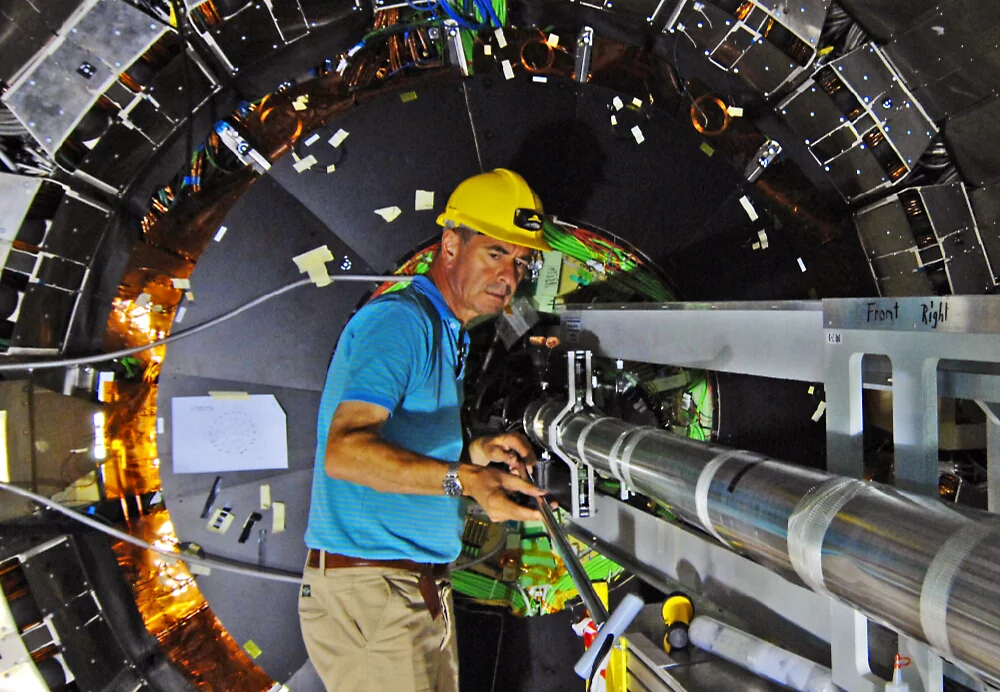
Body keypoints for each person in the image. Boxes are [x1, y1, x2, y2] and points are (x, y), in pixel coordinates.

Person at [299, 169, 554, 691]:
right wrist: (465, 480)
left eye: (521, 262)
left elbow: (404, 441)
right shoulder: (401, 322)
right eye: (496, 253)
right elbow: (345, 453)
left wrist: (476, 452)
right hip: (373, 593)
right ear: (451, 244)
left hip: (409, 591)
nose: (510, 275)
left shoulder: (443, 330)